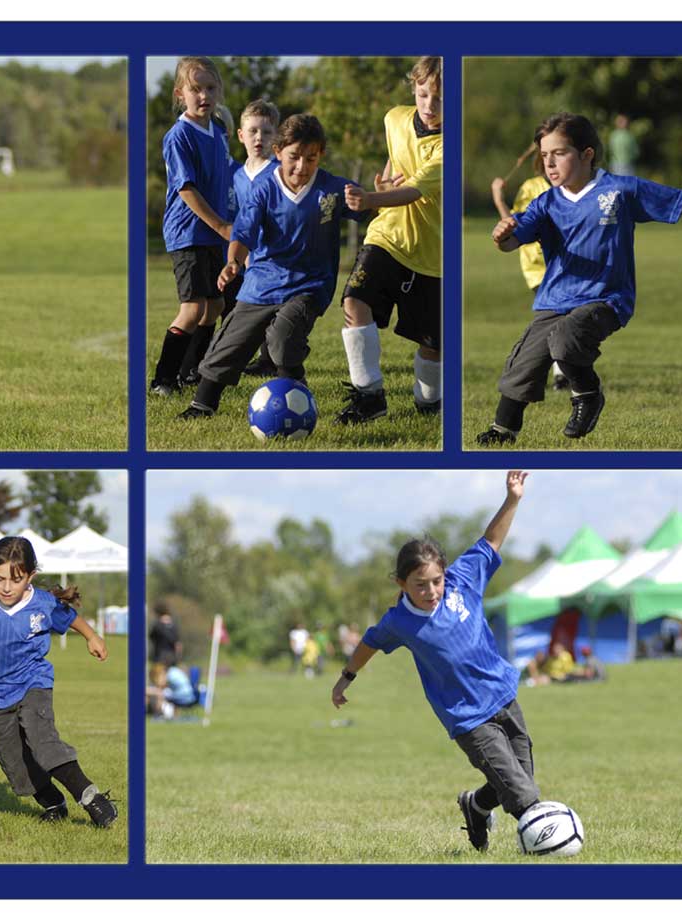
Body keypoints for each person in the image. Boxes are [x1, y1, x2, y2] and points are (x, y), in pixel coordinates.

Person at [479, 112, 682, 444]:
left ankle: (588, 394)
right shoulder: (546, 203)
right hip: (554, 299)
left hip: (605, 299)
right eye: (544, 156)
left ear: (587, 154)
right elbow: (512, 242)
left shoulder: (621, 190)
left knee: (566, 341)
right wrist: (502, 236)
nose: (549, 163)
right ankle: (502, 431)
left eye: (559, 153)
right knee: (523, 364)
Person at [331, 471, 544, 853]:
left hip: (505, 697)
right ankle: (545, 842)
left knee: (521, 776)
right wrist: (346, 677)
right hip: (467, 718)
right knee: (523, 794)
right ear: (401, 583)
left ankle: (475, 807)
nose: (431, 590)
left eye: (436, 580)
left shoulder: (463, 581)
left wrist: (513, 499)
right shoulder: (400, 622)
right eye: (420, 584)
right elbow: (369, 643)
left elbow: (491, 540)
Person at [178, 113, 368, 420]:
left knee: (282, 338)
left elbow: (365, 204)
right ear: (278, 152)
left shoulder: (332, 189)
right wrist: (233, 262)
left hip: (309, 284)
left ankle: (296, 391)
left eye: (311, 158)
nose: (301, 167)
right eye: (294, 157)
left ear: (320, 156)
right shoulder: (264, 189)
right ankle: (202, 405)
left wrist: (374, 197)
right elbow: (243, 232)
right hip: (262, 282)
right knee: (228, 344)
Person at [0, 536, 118, 827]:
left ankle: (91, 798)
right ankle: (54, 803)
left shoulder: (42, 602)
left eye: (15, 580)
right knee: (17, 767)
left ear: (31, 576)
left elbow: (69, 616)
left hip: (33, 681)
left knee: (43, 741)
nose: (5, 587)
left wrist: (92, 636)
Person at [336, 56, 444, 424]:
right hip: (387, 237)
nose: (430, 105)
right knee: (353, 300)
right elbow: (395, 161)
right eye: (424, 94)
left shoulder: (449, 146)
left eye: (441, 99)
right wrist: (382, 182)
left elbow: (414, 189)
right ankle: (369, 397)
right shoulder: (394, 117)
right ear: (414, 87)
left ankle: (429, 404)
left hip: (433, 255)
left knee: (433, 346)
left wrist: (370, 198)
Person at [150, 57, 235, 396]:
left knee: (216, 305)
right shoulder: (178, 136)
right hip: (189, 233)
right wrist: (220, 226)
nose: (204, 95)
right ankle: (163, 380)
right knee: (193, 308)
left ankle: (191, 371)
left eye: (210, 88)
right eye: (195, 89)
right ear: (180, 94)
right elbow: (186, 189)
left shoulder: (218, 131)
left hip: (214, 232)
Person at [490, 156, 568, 391]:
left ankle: (560, 372)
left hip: (564, 263)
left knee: (564, 316)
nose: (551, 164)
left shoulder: (571, 187)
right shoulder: (531, 187)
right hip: (536, 265)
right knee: (556, 315)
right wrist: (498, 198)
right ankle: (555, 373)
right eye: (546, 158)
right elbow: (512, 223)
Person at [227, 99, 282, 380]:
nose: (259, 137)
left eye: (266, 132)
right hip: (246, 255)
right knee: (250, 308)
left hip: (274, 256)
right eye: (252, 131)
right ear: (241, 135)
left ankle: (275, 361)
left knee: (274, 311)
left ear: (276, 137)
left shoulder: (280, 173)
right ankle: (260, 359)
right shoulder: (235, 176)